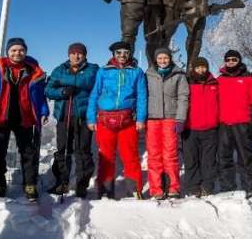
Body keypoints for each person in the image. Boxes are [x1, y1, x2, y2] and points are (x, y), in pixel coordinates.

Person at [0, 37, 49, 201]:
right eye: (13, 50)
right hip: (0, 118)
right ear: (8, 52)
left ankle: (29, 185)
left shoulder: (34, 71)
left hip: (25, 118)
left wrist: (43, 112)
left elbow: (40, 96)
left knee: (28, 153)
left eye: (20, 50)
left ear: (25, 51)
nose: (17, 53)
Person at [86, 41, 147, 199]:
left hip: (127, 120)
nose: (122, 55)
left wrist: (141, 118)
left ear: (129, 54)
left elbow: (141, 96)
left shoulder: (137, 72)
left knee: (131, 155)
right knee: (106, 155)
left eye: (125, 52)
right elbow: (95, 94)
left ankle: (135, 188)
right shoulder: (104, 71)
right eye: (118, 52)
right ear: (113, 54)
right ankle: (105, 189)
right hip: (105, 120)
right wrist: (91, 118)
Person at [44, 42, 99, 198]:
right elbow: (48, 89)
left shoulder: (92, 69)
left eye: (80, 53)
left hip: (83, 116)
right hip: (64, 116)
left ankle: (82, 184)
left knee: (83, 151)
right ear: (69, 54)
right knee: (63, 150)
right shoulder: (59, 69)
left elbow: (89, 81)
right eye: (73, 53)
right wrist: (62, 91)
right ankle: (61, 182)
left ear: (85, 55)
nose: (76, 56)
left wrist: (68, 81)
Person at [217, 50, 252, 198]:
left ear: (239, 60)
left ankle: (251, 187)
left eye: (234, 59)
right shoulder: (220, 80)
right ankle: (227, 186)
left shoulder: (249, 78)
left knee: (245, 157)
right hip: (224, 124)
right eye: (228, 59)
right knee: (224, 157)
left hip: (243, 124)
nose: (230, 62)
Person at [145, 48, 189, 199]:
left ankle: (173, 187)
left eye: (165, 58)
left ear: (170, 59)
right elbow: (144, 96)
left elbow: (183, 97)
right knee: (154, 155)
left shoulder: (178, 75)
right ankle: (156, 189)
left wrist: (180, 119)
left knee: (170, 154)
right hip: (152, 119)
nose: (163, 61)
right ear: (156, 60)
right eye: (160, 58)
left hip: (170, 118)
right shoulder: (149, 74)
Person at [182, 57, 219, 197]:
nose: (201, 70)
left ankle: (208, 186)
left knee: (208, 161)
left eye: (203, 67)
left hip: (210, 129)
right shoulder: (187, 83)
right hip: (190, 129)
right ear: (193, 68)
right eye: (198, 67)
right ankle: (193, 187)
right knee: (191, 160)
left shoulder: (215, 83)